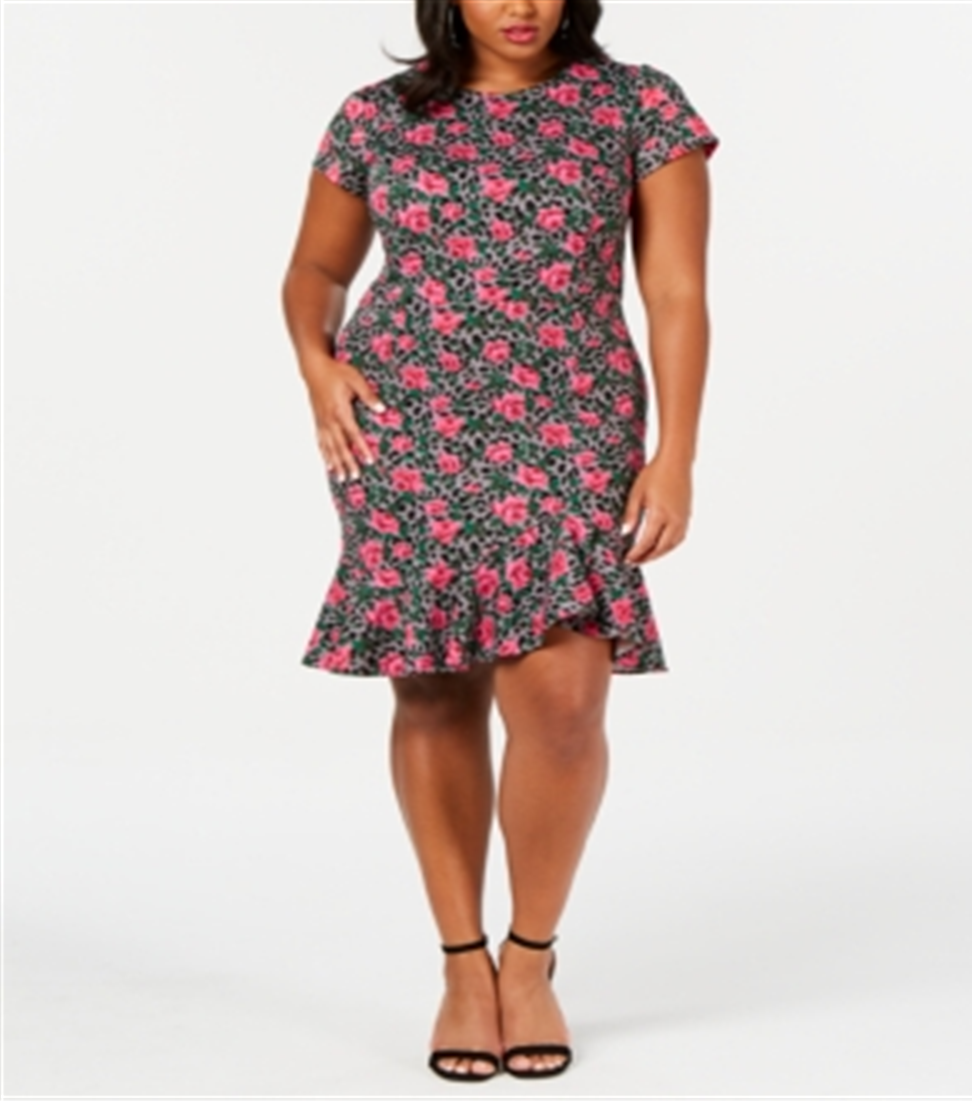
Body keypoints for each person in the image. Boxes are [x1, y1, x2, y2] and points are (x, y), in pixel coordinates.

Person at [281, 0, 719, 1082]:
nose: (520, 4)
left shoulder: (638, 106)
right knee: (434, 689)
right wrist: (318, 365)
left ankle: (530, 955)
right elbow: (316, 274)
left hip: (572, 420)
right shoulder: (377, 117)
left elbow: (674, 289)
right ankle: (461, 966)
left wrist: (675, 454)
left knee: (563, 704)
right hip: (406, 420)